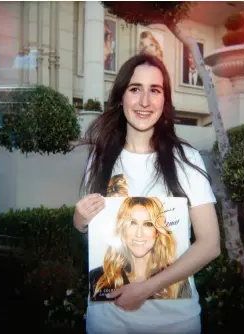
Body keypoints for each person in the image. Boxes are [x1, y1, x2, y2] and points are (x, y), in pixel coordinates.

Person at [74, 54, 220, 333]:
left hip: (175, 323)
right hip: (107, 322)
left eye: (155, 90)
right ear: (121, 97)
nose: (144, 101)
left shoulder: (186, 160)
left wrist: (146, 288)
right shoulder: (100, 157)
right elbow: (89, 228)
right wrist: (79, 219)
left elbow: (210, 244)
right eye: (135, 89)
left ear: (164, 100)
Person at [89, 197, 192, 302]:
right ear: (122, 229)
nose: (139, 234)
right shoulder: (99, 278)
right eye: (132, 223)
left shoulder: (177, 279)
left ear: (157, 232)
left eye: (148, 224)